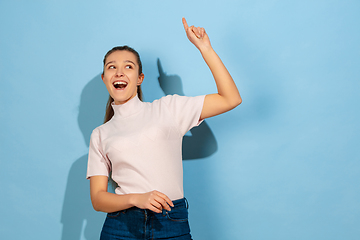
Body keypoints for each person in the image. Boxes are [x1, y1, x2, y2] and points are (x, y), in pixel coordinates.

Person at [87, 18, 242, 240]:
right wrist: (136, 198)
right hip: (120, 227)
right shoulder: (100, 134)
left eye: (128, 67)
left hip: (170, 222)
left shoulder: (168, 108)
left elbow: (230, 98)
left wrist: (204, 48)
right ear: (105, 79)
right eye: (112, 67)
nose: (119, 72)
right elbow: (98, 199)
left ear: (140, 78)